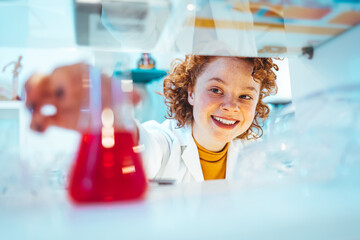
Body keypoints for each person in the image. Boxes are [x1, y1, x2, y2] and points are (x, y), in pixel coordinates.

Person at [25, 55, 278, 183]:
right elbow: (142, 150)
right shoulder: (166, 142)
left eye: (245, 96)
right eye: (215, 90)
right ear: (190, 92)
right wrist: (108, 115)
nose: (230, 106)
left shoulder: (254, 154)